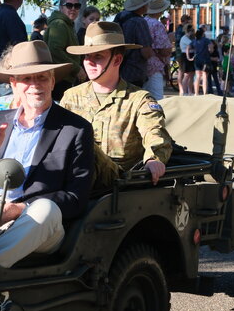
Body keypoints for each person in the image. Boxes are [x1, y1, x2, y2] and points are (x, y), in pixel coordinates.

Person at [0, 40, 94, 267]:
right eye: (26, 79)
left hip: (36, 222)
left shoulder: (75, 128)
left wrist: (18, 209)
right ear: (13, 85)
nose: (35, 85)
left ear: (53, 81)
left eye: (42, 77)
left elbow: (76, 198)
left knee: (46, 210)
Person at [63, 21, 173, 189]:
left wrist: (153, 159)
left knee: (85, 146)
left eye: (98, 56)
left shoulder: (139, 100)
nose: (89, 62)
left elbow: (155, 134)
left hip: (118, 180)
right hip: (73, 176)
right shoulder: (72, 96)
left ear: (117, 60)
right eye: (86, 56)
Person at [44, 0, 83, 101]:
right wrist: (77, 69)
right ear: (61, 8)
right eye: (69, 5)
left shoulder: (67, 24)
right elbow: (55, 51)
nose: (73, 9)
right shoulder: (59, 24)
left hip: (63, 78)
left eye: (77, 6)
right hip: (59, 79)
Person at [113, 0, 155, 89]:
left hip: (116, 69)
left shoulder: (119, 17)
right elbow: (146, 52)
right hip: (134, 72)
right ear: (143, 6)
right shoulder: (140, 22)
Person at [143, 0, 174, 100]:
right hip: (155, 66)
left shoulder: (142, 22)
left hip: (141, 66)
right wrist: (169, 40)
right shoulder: (157, 25)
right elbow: (165, 50)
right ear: (160, 10)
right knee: (157, 100)